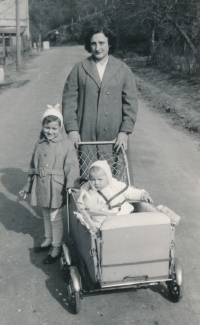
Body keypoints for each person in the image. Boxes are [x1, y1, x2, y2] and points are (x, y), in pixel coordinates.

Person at [62, 26, 138, 184]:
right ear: (89, 45)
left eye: (102, 43)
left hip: (114, 136)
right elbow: (69, 101)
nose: (98, 48)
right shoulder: (79, 69)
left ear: (110, 44)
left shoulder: (123, 69)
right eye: (93, 43)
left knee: (116, 181)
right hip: (85, 135)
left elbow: (130, 103)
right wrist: (72, 129)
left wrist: (124, 132)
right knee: (87, 180)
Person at [19, 104, 80, 264]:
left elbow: (72, 166)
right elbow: (33, 166)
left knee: (55, 217)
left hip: (56, 186)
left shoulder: (66, 144)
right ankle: (48, 239)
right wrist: (28, 185)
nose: (50, 131)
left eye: (54, 128)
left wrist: (71, 185)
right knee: (46, 213)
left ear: (60, 127)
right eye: (47, 128)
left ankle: (56, 246)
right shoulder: (39, 144)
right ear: (43, 126)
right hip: (42, 185)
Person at [77, 160, 153, 227]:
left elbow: (130, 192)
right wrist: (92, 193)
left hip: (122, 215)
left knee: (132, 221)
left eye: (100, 179)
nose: (96, 183)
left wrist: (142, 195)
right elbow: (89, 206)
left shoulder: (116, 186)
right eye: (92, 180)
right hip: (104, 220)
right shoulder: (90, 191)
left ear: (108, 177)